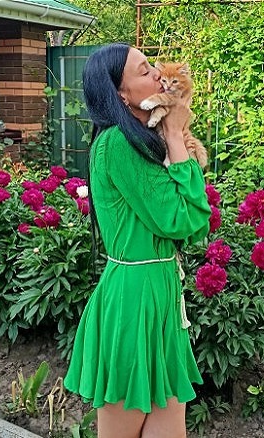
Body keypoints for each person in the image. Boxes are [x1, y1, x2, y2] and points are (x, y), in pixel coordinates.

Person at [63, 43, 211, 438]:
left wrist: (172, 135)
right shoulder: (117, 144)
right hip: (133, 300)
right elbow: (183, 219)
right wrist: (177, 137)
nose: (158, 76)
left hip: (159, 291)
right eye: (145, 71)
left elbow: (196, 228)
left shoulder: (144, 143)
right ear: (120, 94)